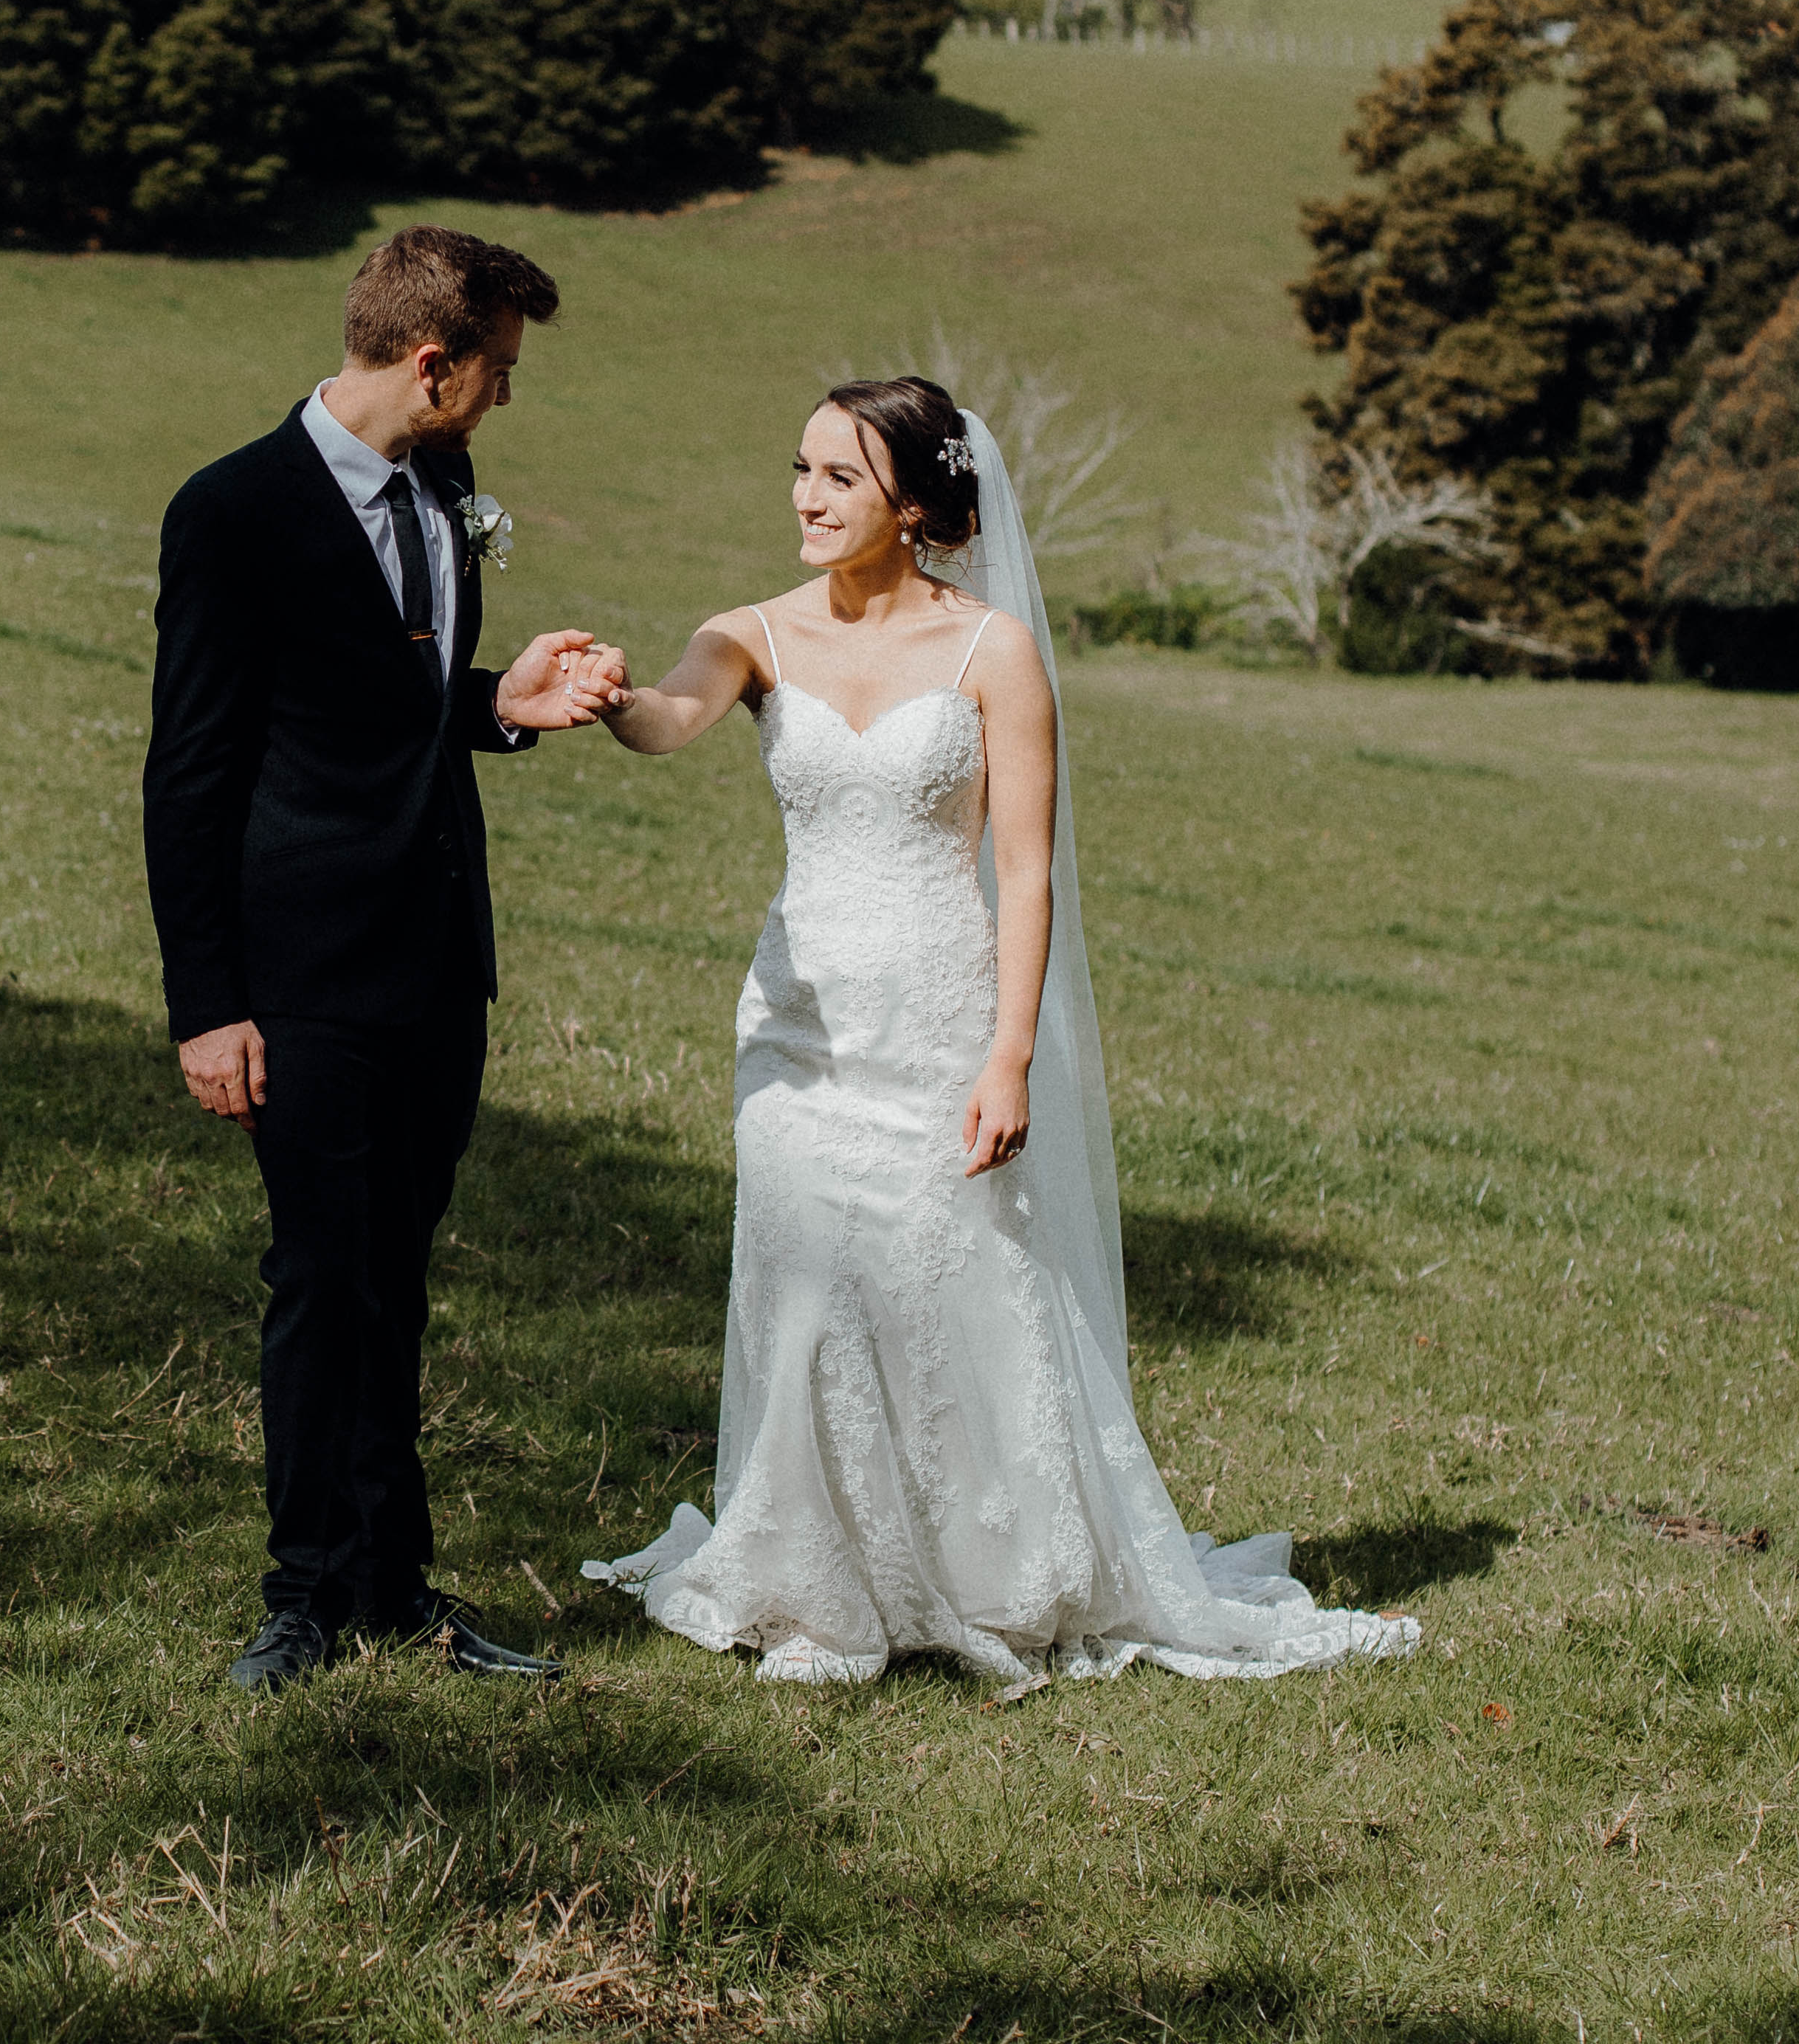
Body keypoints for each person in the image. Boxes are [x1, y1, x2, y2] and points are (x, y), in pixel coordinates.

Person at [578, 377, 1421, 1690]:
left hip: (943, 1019)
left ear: (913, 504)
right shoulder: (750, 633)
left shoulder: (993, 653)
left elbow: (1024, 874)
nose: (805, 498)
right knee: (804, 1293)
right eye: (798, 469)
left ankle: (988, 1570)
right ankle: (817, 1582)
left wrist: (1009, 1055)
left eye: (839, 479)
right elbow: (668, 720)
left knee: (946, 1288)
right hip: (798, 1029)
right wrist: (606, 692)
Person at [142, 227, 626, 1696]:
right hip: (296, 973)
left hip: (435, 962)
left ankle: (395, 1586)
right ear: (432, 360)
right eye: (498, 372)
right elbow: (194, 768)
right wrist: (209, 1003)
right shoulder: (232, 510)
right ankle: (303, 1595)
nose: (502, 400)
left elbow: (384, 702)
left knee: (396, 1278)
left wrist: (500, 704)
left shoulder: (442, 484)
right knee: (320, 1274)